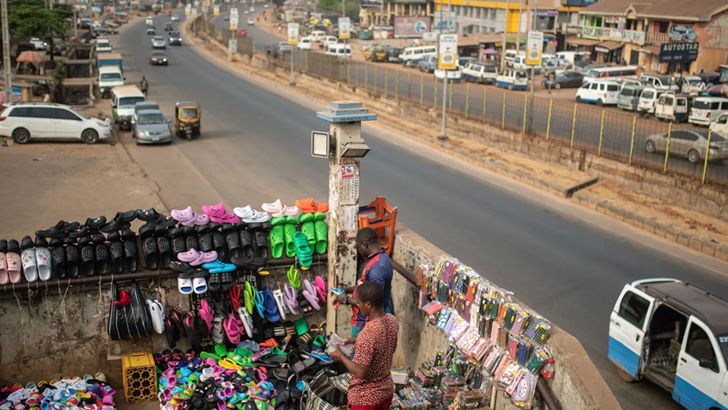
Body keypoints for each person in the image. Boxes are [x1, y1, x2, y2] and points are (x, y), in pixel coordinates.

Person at [330, 282, 398, 410]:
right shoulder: (392, 320)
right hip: (386, 391)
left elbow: (361, 372)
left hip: (366, 399)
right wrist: (354, 341)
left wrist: (340, 356)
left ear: (368, 305)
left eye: (359, 303)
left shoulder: (367, 334)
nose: (358, 306)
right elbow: (383, 344)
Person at [335, 227, 394, 337]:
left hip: (365, 323)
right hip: (365, 320)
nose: (358, 250)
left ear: (365, 245)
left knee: (360, 352)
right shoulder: (381, 258)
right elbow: (367, 286)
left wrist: (346, 299)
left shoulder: (377, 269)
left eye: (358, 247)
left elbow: (372, 304)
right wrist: (348, 289)